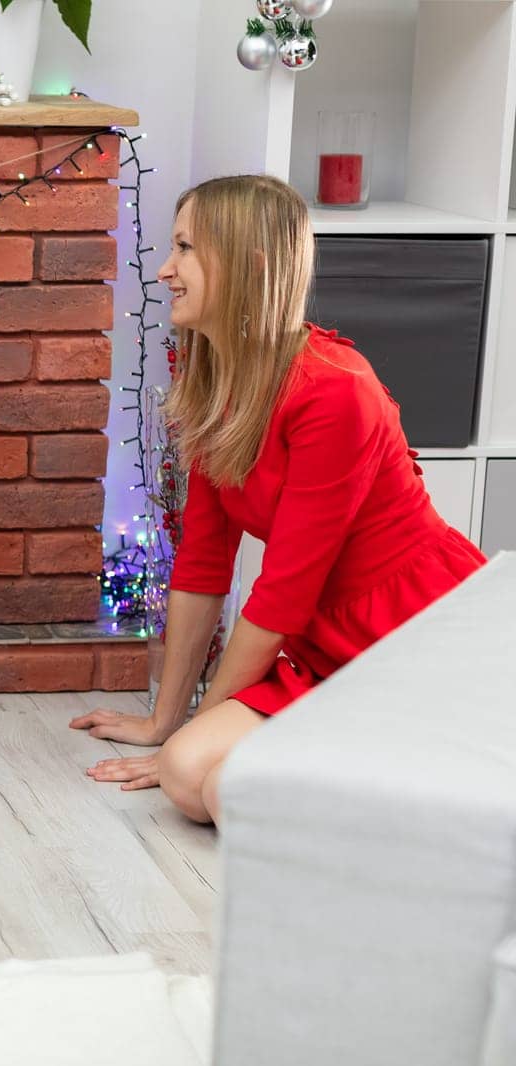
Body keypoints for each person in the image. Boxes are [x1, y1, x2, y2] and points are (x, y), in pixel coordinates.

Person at [71, 174, 486, 824]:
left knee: (198, 777)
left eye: (185, 249)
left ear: (249, 263)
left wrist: (183, 741)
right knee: (193, 776)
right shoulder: (216, 383)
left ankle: (425, 806)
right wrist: (164, 723)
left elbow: (284, 591)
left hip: (411, 631)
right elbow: (204, 563)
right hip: (322, 643)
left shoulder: (335, 391)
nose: (164, 270)